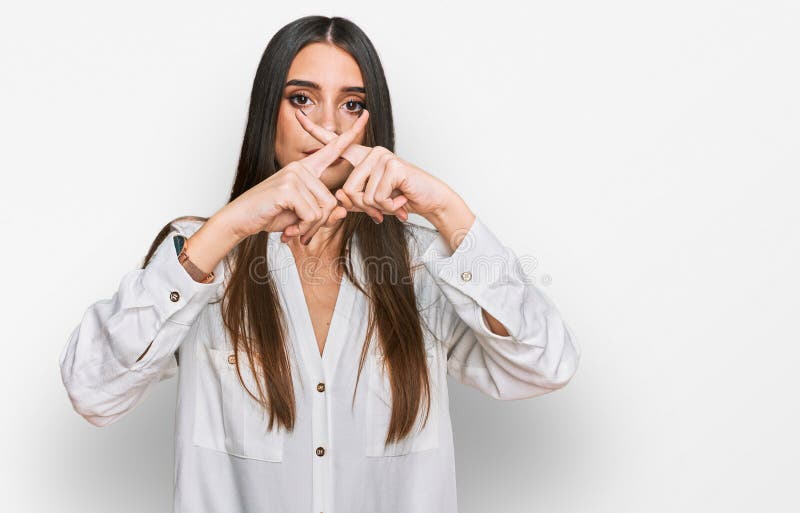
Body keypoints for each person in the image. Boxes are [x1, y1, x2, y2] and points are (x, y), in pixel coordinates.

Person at [58, 15, 581, 513]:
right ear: (270, 112)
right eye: (302, 99)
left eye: (353, 105)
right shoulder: (204, 252)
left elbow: (545, 364)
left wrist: (446, 209)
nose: (328, 126)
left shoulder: (420, 264)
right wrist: (230, 225)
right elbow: (92, 389)